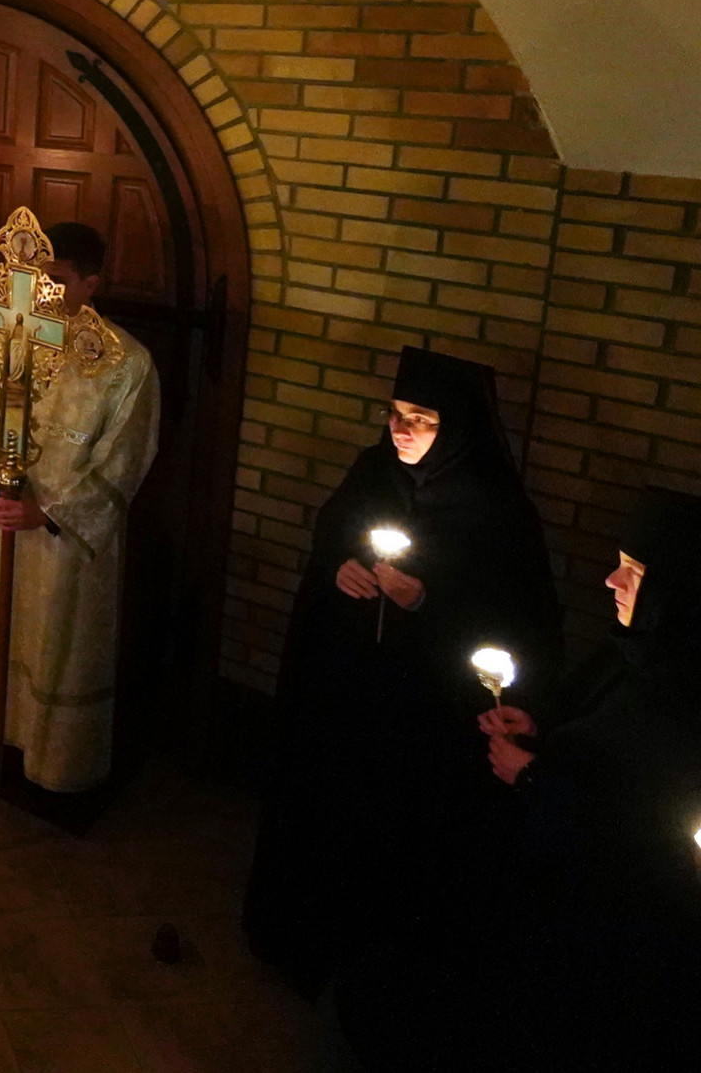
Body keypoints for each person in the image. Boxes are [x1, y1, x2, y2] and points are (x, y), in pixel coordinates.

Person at [335, 487, 701, 1073]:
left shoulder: (683, 696)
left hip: (596, 946)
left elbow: (647, 840)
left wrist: (532, 777)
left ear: (679, 594)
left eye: (632, 572)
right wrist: (538, 725)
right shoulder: (633, 654)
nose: (610, 581)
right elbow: (594, 735)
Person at [243, 345, 563, 999]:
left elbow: (511, 616)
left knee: (394, 845)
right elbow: (333, 533)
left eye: (422, 418)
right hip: (347, 696)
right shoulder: (372, 470)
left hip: (421, 720)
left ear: (458, 427)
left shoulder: (493, 507)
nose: (401, 430)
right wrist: (340, 566)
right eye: (394, 413)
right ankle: (306, 940)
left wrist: (427, 602)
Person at [0, 222, 161, 793]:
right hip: (9, 519)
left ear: (91, 283)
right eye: (39, 277)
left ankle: (51, 760)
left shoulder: (128, 364)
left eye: (59, 280)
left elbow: (124, 461)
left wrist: (50, 513)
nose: (44, 291)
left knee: (56, 640)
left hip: (66, 538)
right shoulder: (19, 338)